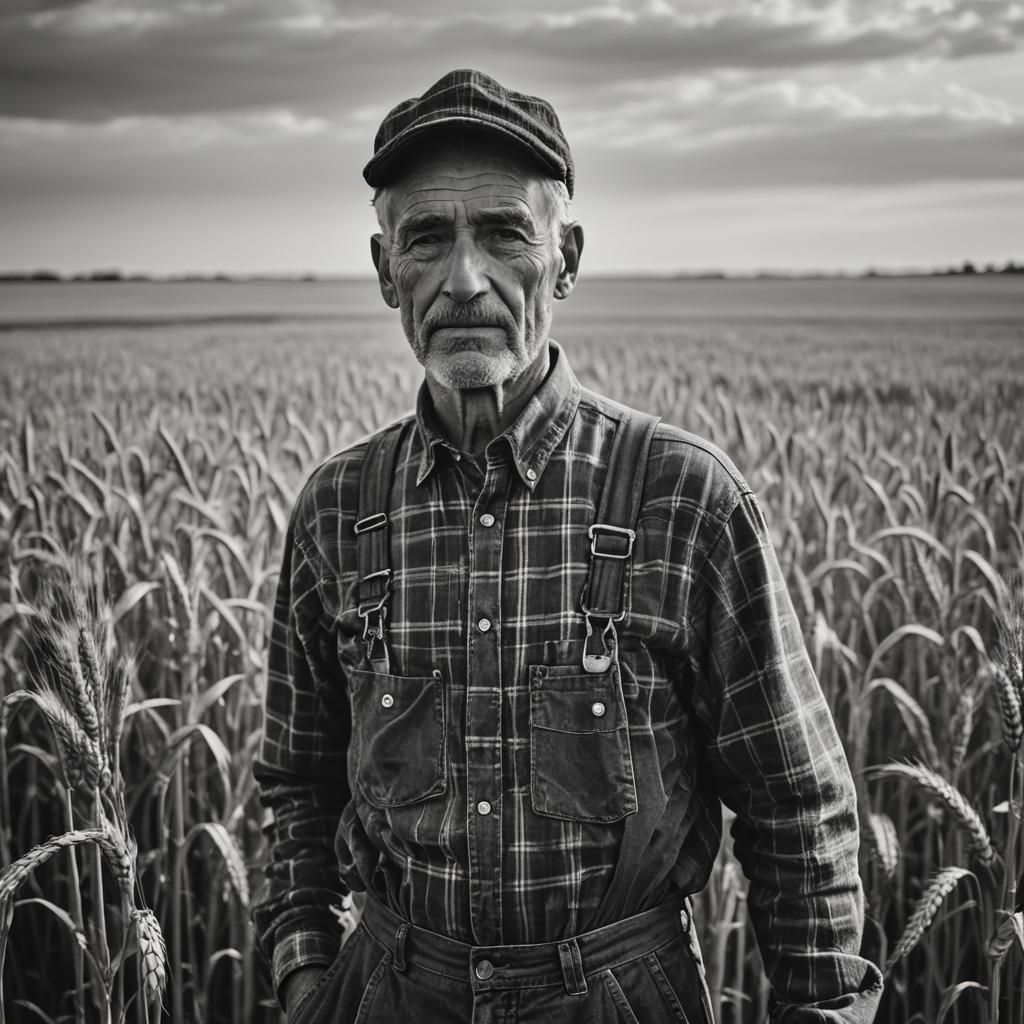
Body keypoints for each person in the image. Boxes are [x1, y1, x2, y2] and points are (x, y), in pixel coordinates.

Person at [252, 68, 883, 1023]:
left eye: (505, 232)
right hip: (387, 992)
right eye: (427, 237)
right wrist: (308, 982)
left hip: (622, 994)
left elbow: (796, 811)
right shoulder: (338, 508)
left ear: (567, 258)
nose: (465, 280)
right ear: (387, 271)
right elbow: (297, 787)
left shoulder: (686, 496)